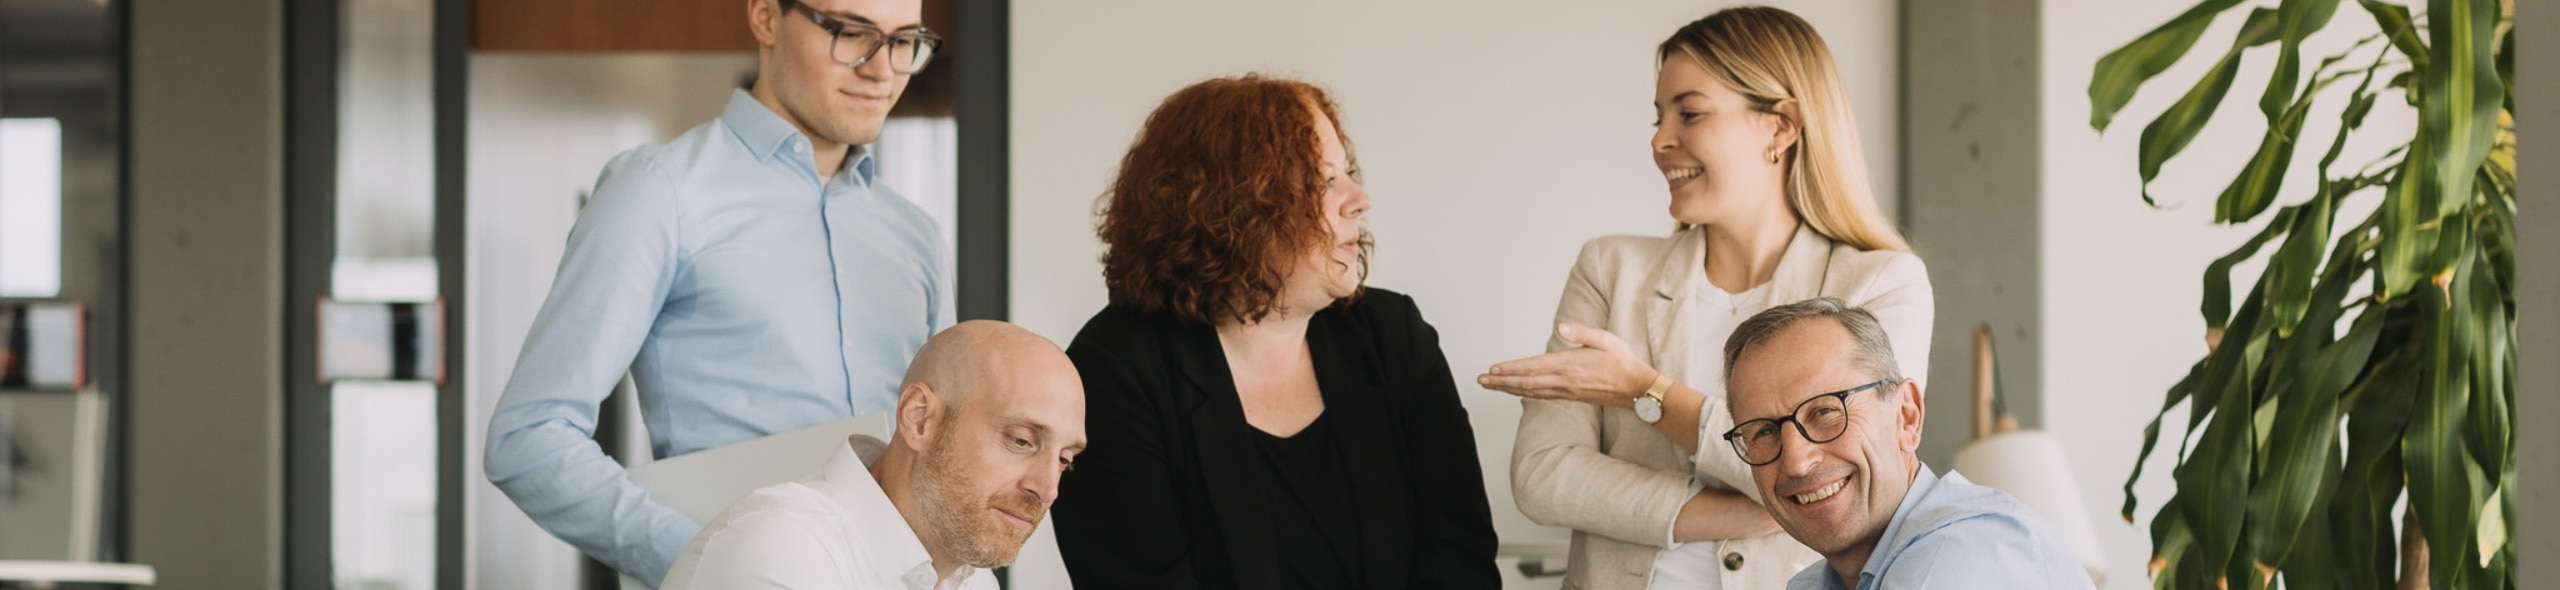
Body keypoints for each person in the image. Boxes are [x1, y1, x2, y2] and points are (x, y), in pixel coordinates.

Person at [482, 0, 951, 582]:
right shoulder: (660, 191)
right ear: (766, 17)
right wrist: (706, 559)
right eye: (852, 33)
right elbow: (527, 439)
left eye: (903, 41)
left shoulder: (916, 235)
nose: (881, 70)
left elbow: (939, 443)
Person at [1479, 6, 1933, 589]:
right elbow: (1542, 477)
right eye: (1659, 117)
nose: (1660, 140)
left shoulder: (1880, 283)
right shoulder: (1610, 270)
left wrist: (1645, 390)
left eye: (1689, 113)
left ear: (1780, 127)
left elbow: (1866, 481)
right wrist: (1749, 509)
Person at [1049, 74, 1501, 589]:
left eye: (1348, 174)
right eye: (1323, 182)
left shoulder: (1394, 335)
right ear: (1234, 208)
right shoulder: (1116, 368)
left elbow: (1460, 557)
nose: (1360, 199)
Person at [659, 321, 1086, 590]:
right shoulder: (782, 548)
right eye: (1021, 441)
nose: (1047, 488)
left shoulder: (972, 582)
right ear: (919, 419)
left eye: (1065, 460)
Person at [1717, 299, 2087, 589]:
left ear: (1906, 416)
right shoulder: (1814, 584)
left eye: (1825, 411)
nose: (1797, 461)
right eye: (1763, 432)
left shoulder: (1960, 555)